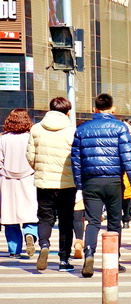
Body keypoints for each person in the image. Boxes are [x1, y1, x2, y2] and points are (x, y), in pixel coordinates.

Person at [72, 93, 131, 277]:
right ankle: (113, 260)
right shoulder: (120, 128)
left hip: (90, 181)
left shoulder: (82, 129)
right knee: (114, 222)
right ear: (113, 108)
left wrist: (79, 184)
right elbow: (128, 157)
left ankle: (89, 253)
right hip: (113, 181)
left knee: (93, 221)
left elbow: (76, 160)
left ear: (94, 109)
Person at [27, 97, 77, 271]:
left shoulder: (36, 129)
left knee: (45, 218)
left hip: (44, 182)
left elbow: (30, 156)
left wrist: (39, 169)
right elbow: (76, 158)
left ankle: (45, 245)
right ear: (67, 112)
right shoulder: (71, 131)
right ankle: (64, 260)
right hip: (67, 184)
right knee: (66, 221)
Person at [1, 109, 39, 260]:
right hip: (29, 178)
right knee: (30, 212)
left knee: (10, 216)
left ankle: (14, 249)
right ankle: (30, 234)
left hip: (7, 180)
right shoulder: (31, 138)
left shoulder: (2, 139)